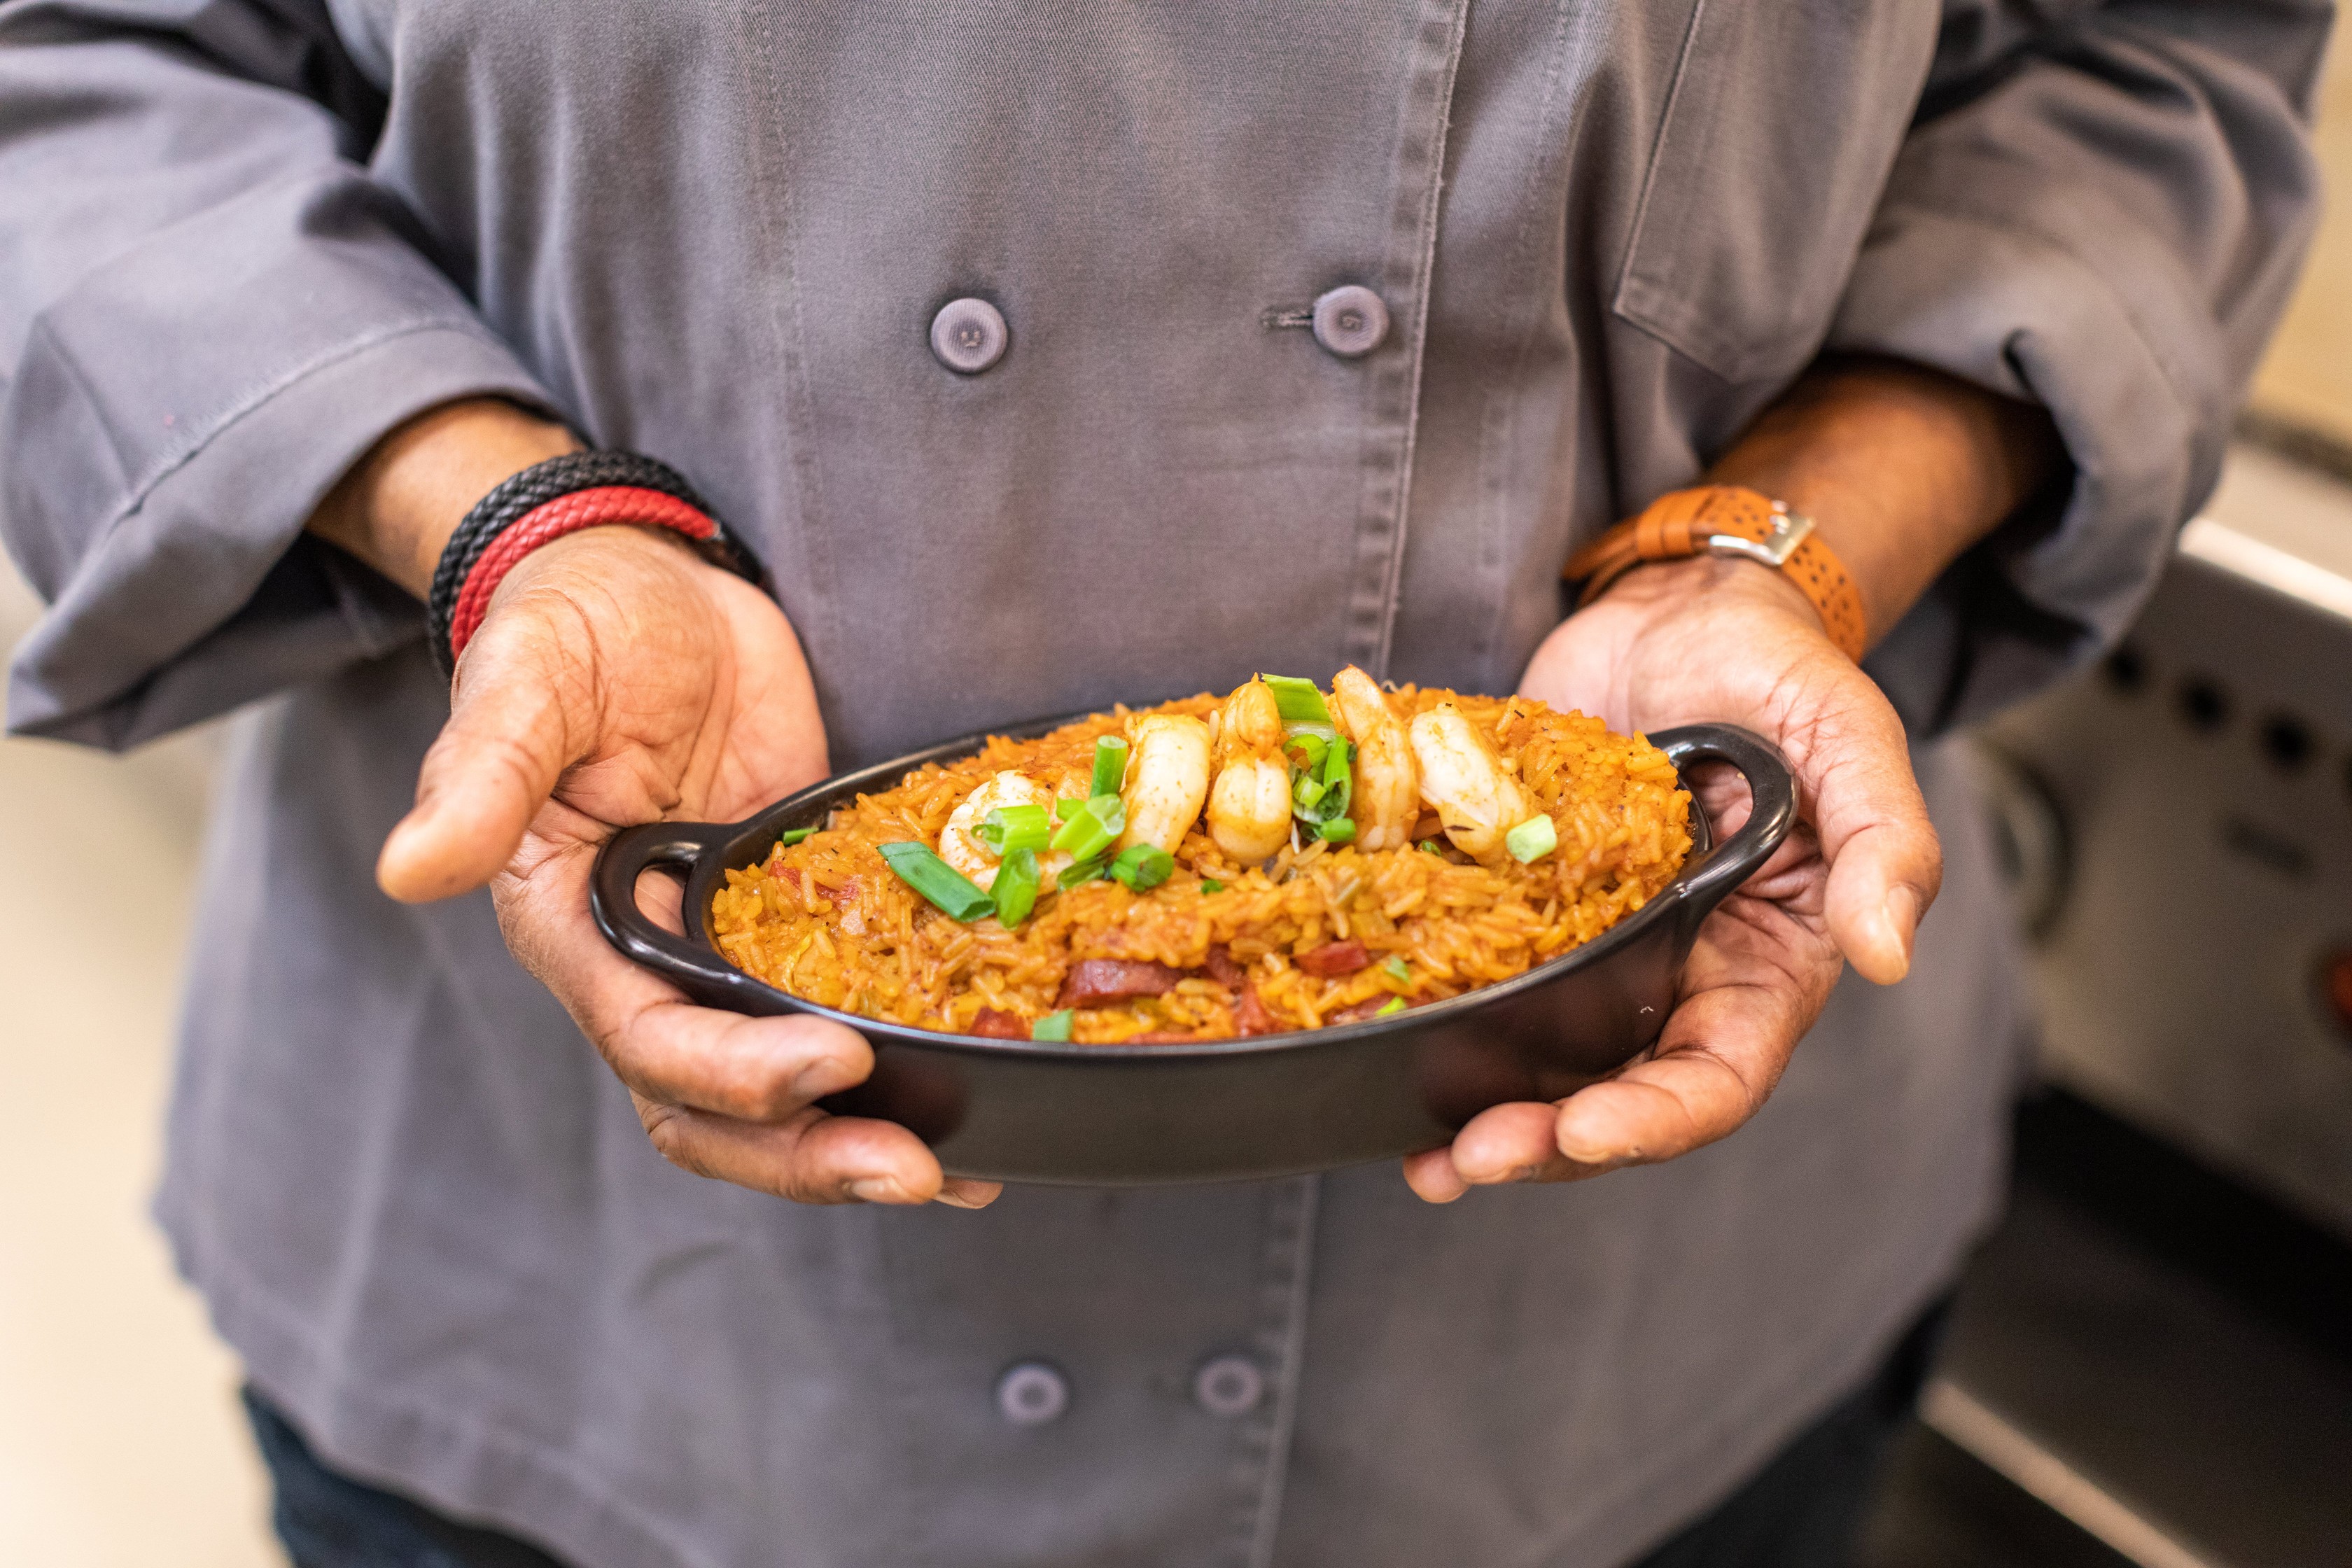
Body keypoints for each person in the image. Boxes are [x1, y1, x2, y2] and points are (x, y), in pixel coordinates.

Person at [0, 2, 2325, 1564]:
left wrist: (1783, 542)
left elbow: (2148, 61)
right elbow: (83, 63)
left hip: (1622, 1361)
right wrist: (502, 513)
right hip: (605, 1336)